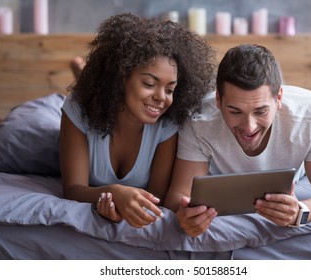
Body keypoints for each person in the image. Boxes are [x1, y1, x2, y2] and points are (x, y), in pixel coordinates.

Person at [164, 44, 311, 237]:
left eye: (261, 111)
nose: (249, 127)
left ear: (278, 98)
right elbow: (178, 195)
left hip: (298, 177)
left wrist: (299, 212)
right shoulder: (198, 120)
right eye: (235, 111)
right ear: (218, 100)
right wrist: (185, 214)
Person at [59, 13, 216, 228]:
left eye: (170, 89)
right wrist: (112, 193)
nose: (161, 97)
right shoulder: (78, 108)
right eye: (149, 84)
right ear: (121, 76)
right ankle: (82, 72)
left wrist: (120, 207)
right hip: (96, 106)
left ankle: (83, 72)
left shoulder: (168, 124)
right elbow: (73, 189)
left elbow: (155, 198)